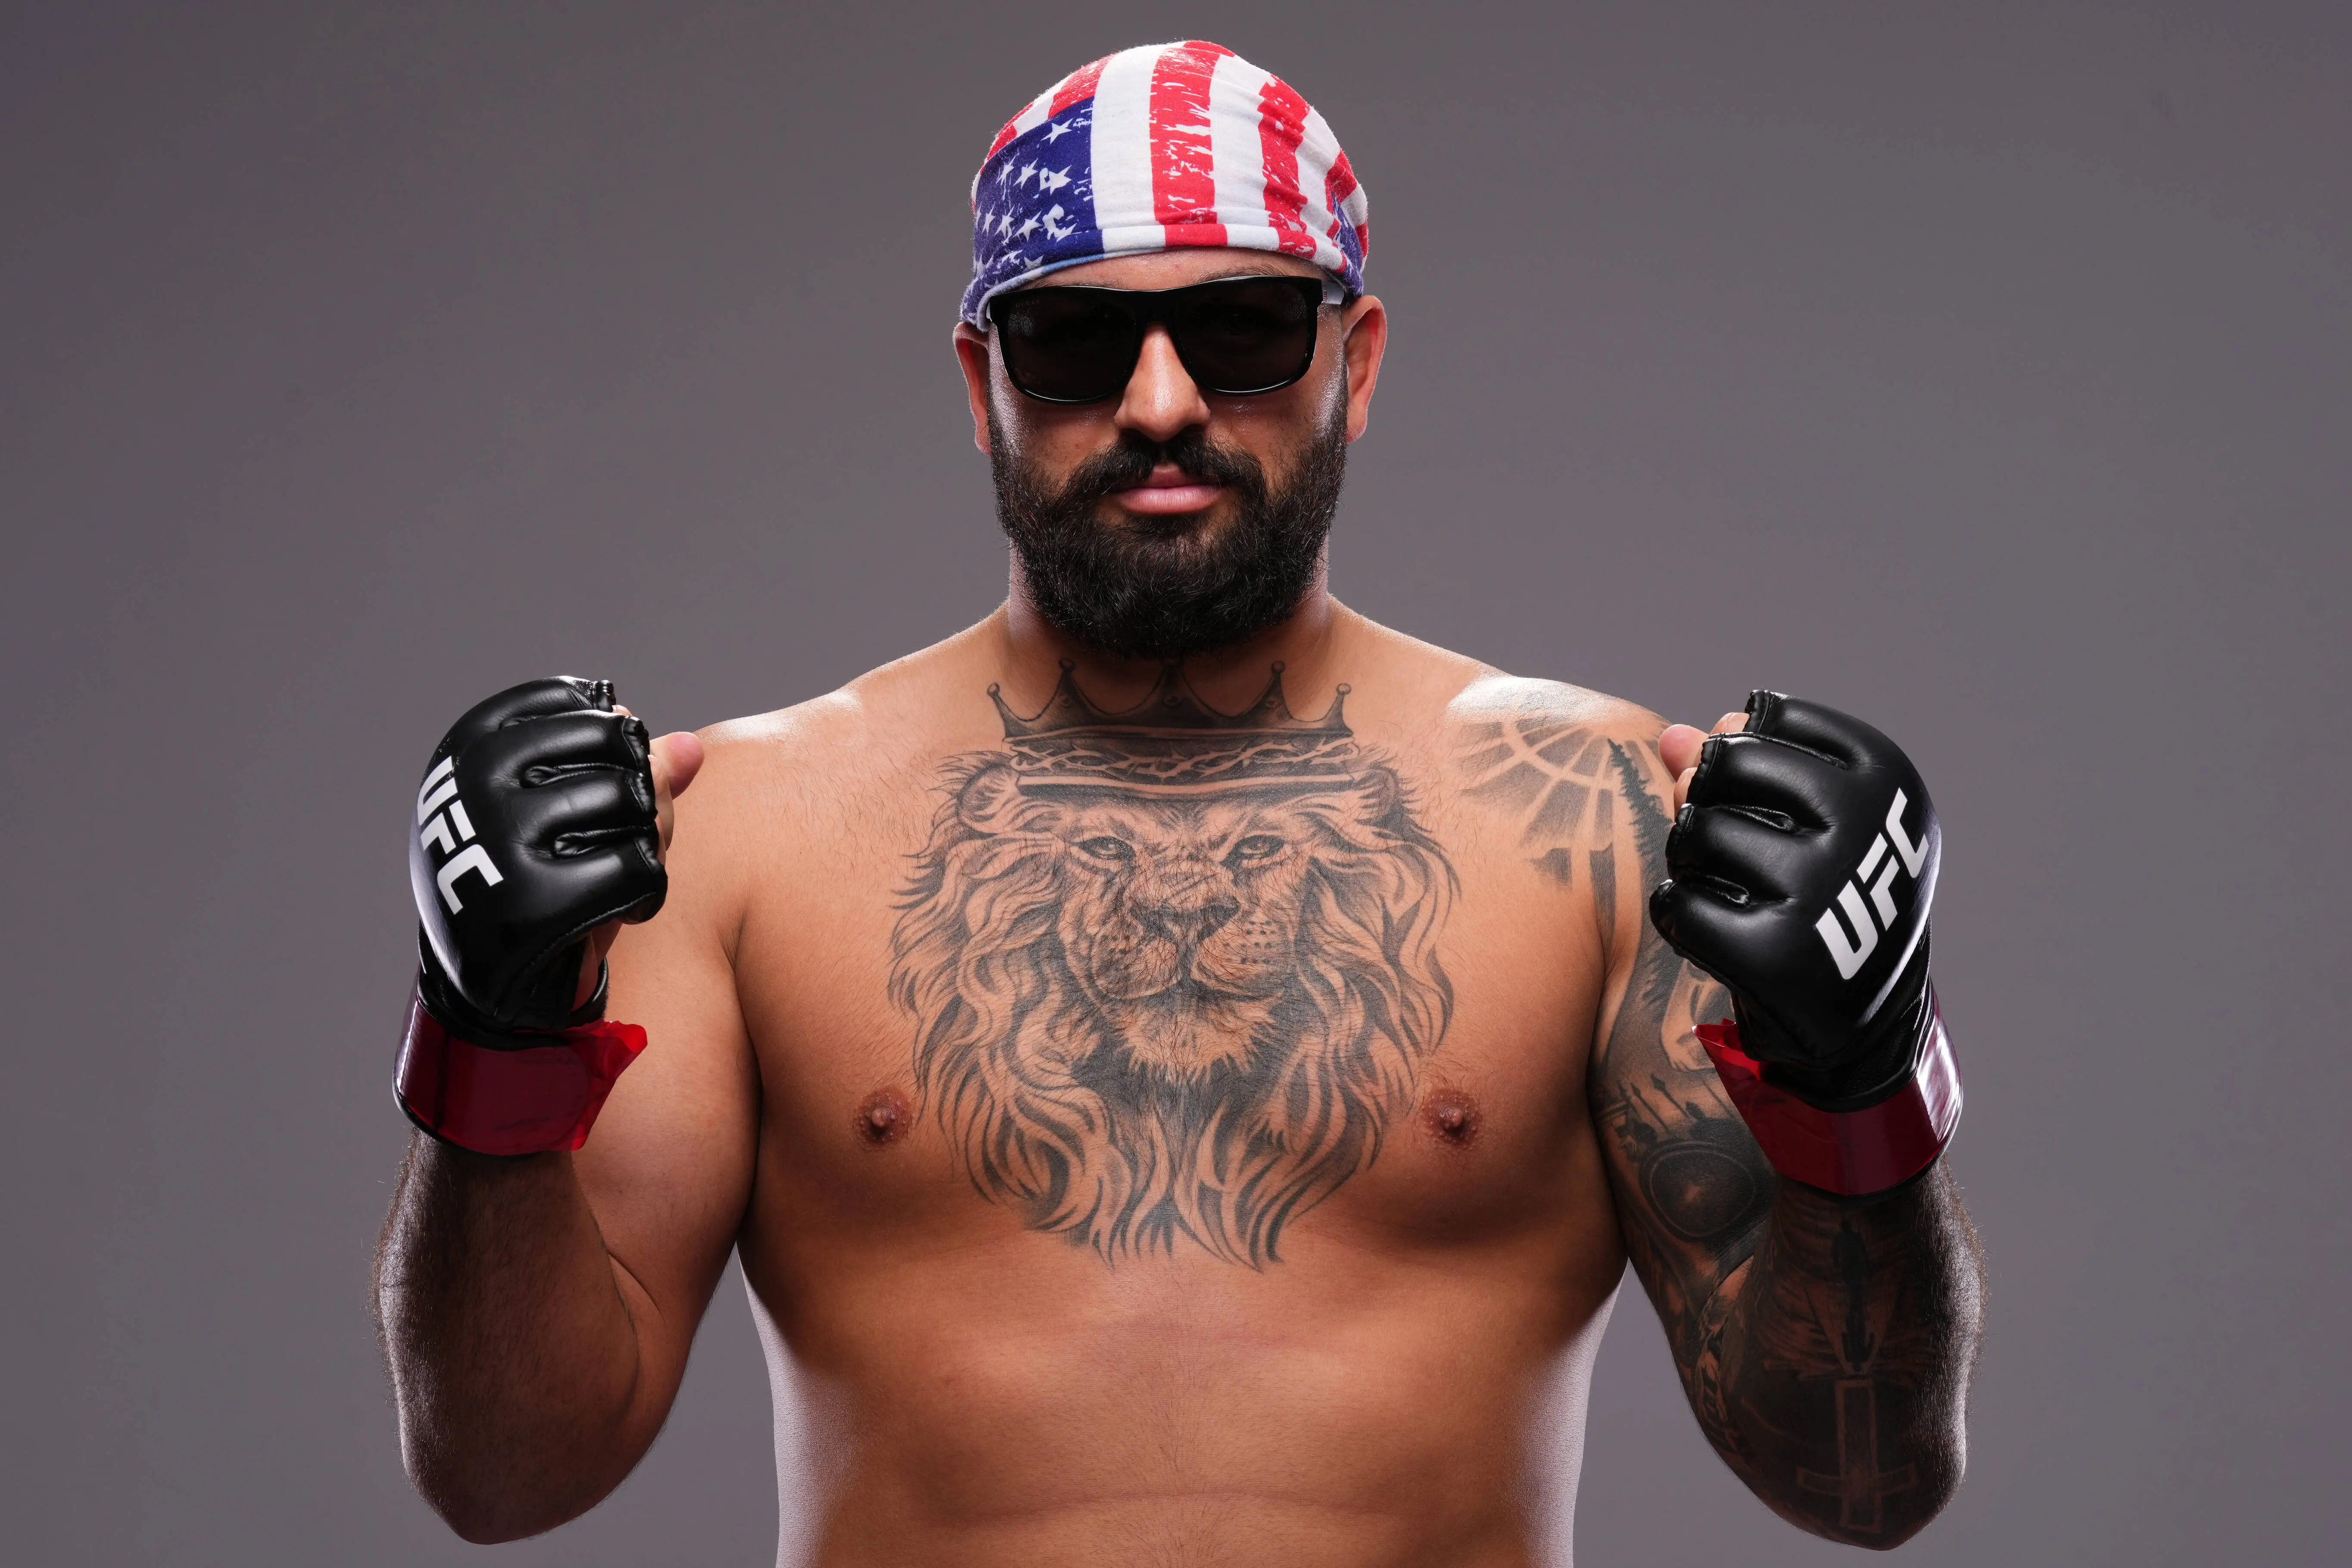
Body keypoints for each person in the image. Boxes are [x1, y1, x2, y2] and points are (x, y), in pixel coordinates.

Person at [374, 41, 1984, 1566]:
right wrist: (491, 1042)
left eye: (1242, 332)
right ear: (981, 376)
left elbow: (1862, 1480)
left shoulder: (1593, 819)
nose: (1157, 401)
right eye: (1074, 340)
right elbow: (510, 1472)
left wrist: (1863, 1087)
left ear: (1351, 364)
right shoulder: (740, 829)